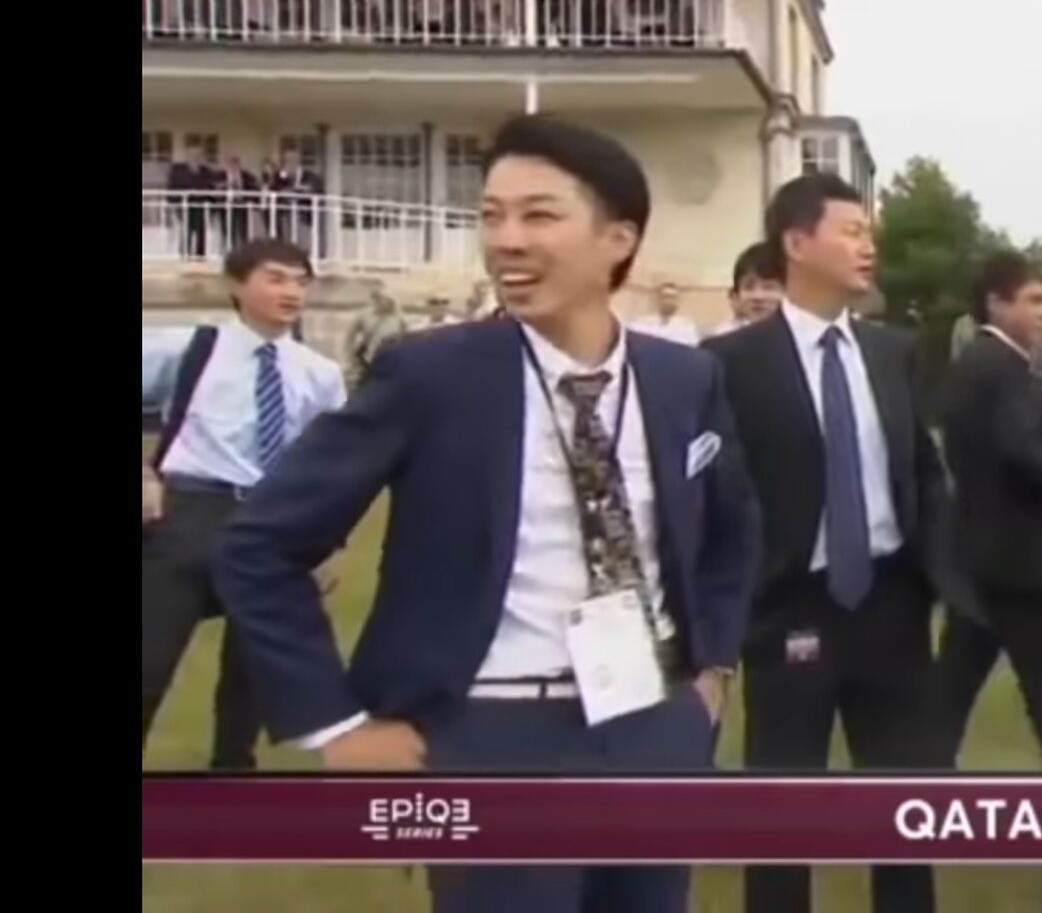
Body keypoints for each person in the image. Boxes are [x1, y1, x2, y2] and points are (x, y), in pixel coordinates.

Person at [214, 114, 759, 913]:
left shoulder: (685, 380)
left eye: (538, 215)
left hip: (653, 726)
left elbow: (730, 531)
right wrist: (336, 725)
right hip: (492, 733)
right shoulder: (431, 376)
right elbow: (259, 546)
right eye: (492, 216)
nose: (506, 240)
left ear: (617, 239)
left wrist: (711, 671)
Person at [704, 173, 975, 913]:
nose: (868, 246)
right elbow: (718, 496)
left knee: (904, 808)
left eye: (868, 232)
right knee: (782, 811)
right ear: (797, 243)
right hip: (791, 608)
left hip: (891, 606)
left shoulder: (892, 352)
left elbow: (921, 470)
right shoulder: (731, 363)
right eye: (851, 231)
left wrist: (937, 576)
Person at [142, 238, 347, 771]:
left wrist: (325, 544)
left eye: (301, 282)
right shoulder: (190, 348)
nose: (291, 292)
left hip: (273, 523)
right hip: (192, 513)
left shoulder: (319, 374)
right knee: (150, 658)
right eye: (276, 278)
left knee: (251, 668)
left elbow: (331, 468)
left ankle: (232, 774)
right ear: (235, 284)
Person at [932, 251, 1042, 761]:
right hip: (1016, 562)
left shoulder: (980, 363)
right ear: (995, 303)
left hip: (981, 555)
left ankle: (914, 783)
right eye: (1033, 300)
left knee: (951, 694)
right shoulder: (999, 367)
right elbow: (1024, 453)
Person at [709, 242, 786, 337]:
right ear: (735, 296)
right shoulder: (724, 337)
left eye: (768, 287)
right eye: (748, 287)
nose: (758, 296)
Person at [343, 286, 411, 385]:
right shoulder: (364, 315)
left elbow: (407, 338)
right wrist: (350, 357)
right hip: (369, 361)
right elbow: (349, 337)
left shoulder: (400, 317)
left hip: (392, 361)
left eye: (389, 300)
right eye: (379, 298)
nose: (385, 302)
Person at [630, 282, 701, 346]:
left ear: (678, 301)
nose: (669, 301)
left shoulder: (687, 327)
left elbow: (692, 349)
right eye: (665, 297)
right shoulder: (641, 324)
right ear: (658, 300)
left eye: (673, 298)